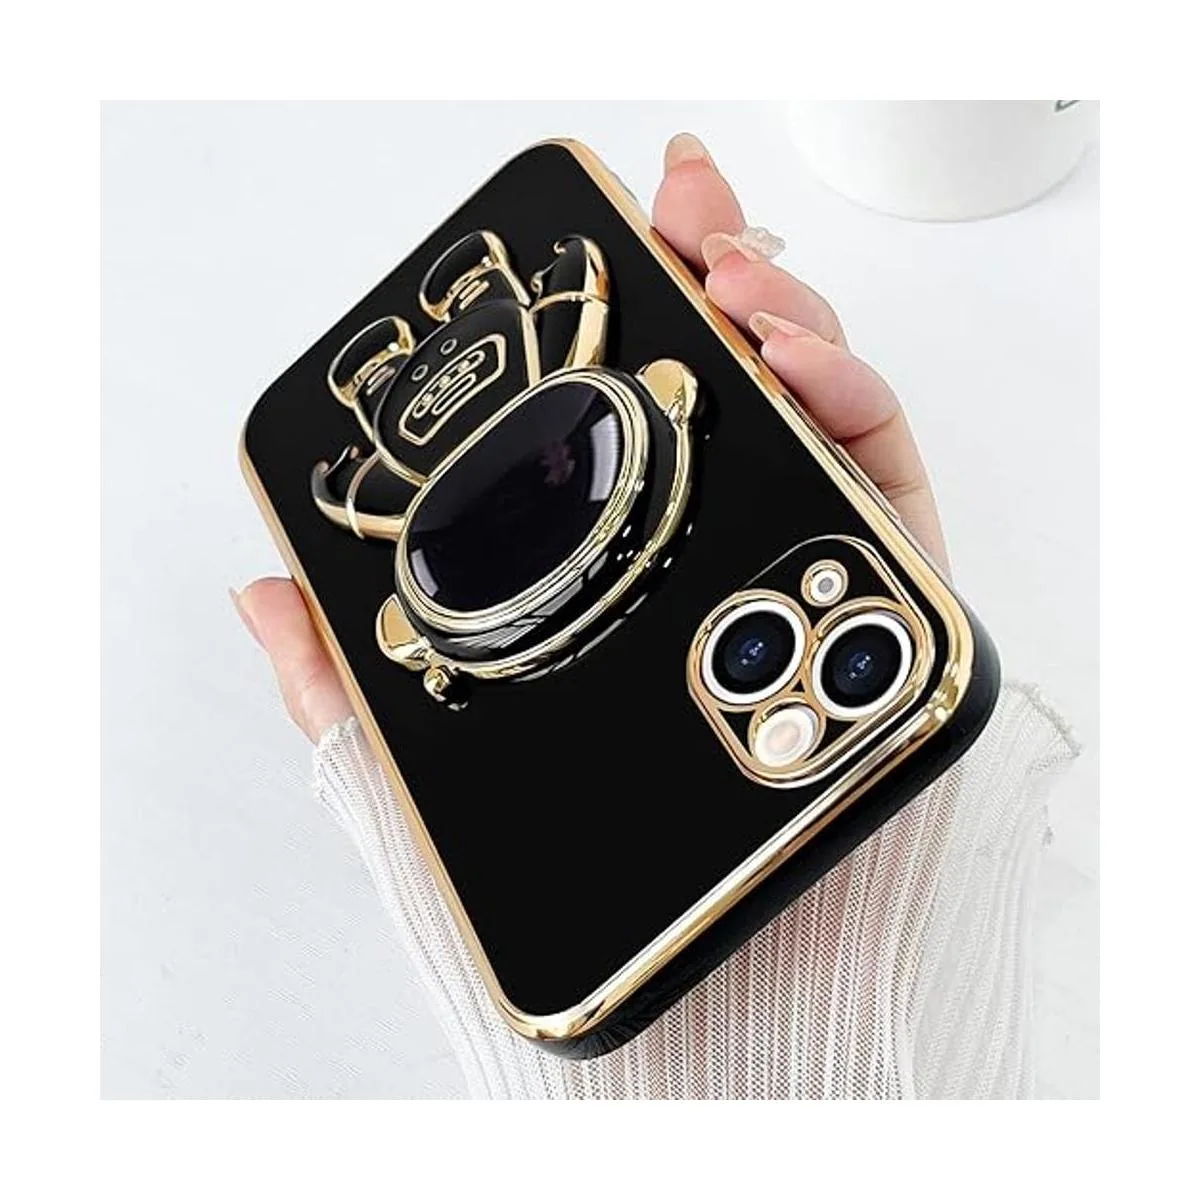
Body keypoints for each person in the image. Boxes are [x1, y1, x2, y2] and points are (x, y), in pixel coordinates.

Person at [232, 133, 1078, 1099]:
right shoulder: (547, 352)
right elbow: (578, 301)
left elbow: (357, 489)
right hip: (535, 534)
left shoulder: (425, 462)